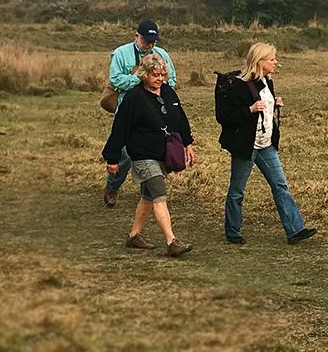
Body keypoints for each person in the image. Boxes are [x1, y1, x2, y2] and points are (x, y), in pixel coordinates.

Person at [215, 43, 316, 245]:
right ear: (260, 61)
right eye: (272, 59)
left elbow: (263, 106)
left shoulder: (266, 82)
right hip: (246, 146)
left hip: (266, 144)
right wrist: (250, 109)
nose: (275, 62)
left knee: (280, 185)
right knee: (237, 190)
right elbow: (224, 116)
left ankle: (295, 230)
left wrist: (273, 103)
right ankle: (232, 231)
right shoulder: (239, 86)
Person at [102, 54, 196, 257]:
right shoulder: (133, 98)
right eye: (155, 75)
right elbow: (120, 129)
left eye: (163, 74)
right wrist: (112, 158)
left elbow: (180, 119)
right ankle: (172, 241)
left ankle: (134, 235)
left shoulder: (169, 93)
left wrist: (188, 143)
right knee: (159, 194)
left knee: (147, 197)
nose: (160, 78)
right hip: (143, 155)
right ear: (144, 75)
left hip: (164, 153)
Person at [102, 19, 176, 207]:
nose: (149, 45)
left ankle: (148, 192)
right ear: (137, 37)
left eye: (153, 41)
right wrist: (141, 80)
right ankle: (112, 186)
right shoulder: (120, 54)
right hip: (129, 111)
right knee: (125, 154)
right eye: (146, 41)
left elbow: (172, 80)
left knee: (152, 151)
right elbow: (116, 79)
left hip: (154, 113)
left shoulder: (162, 55)